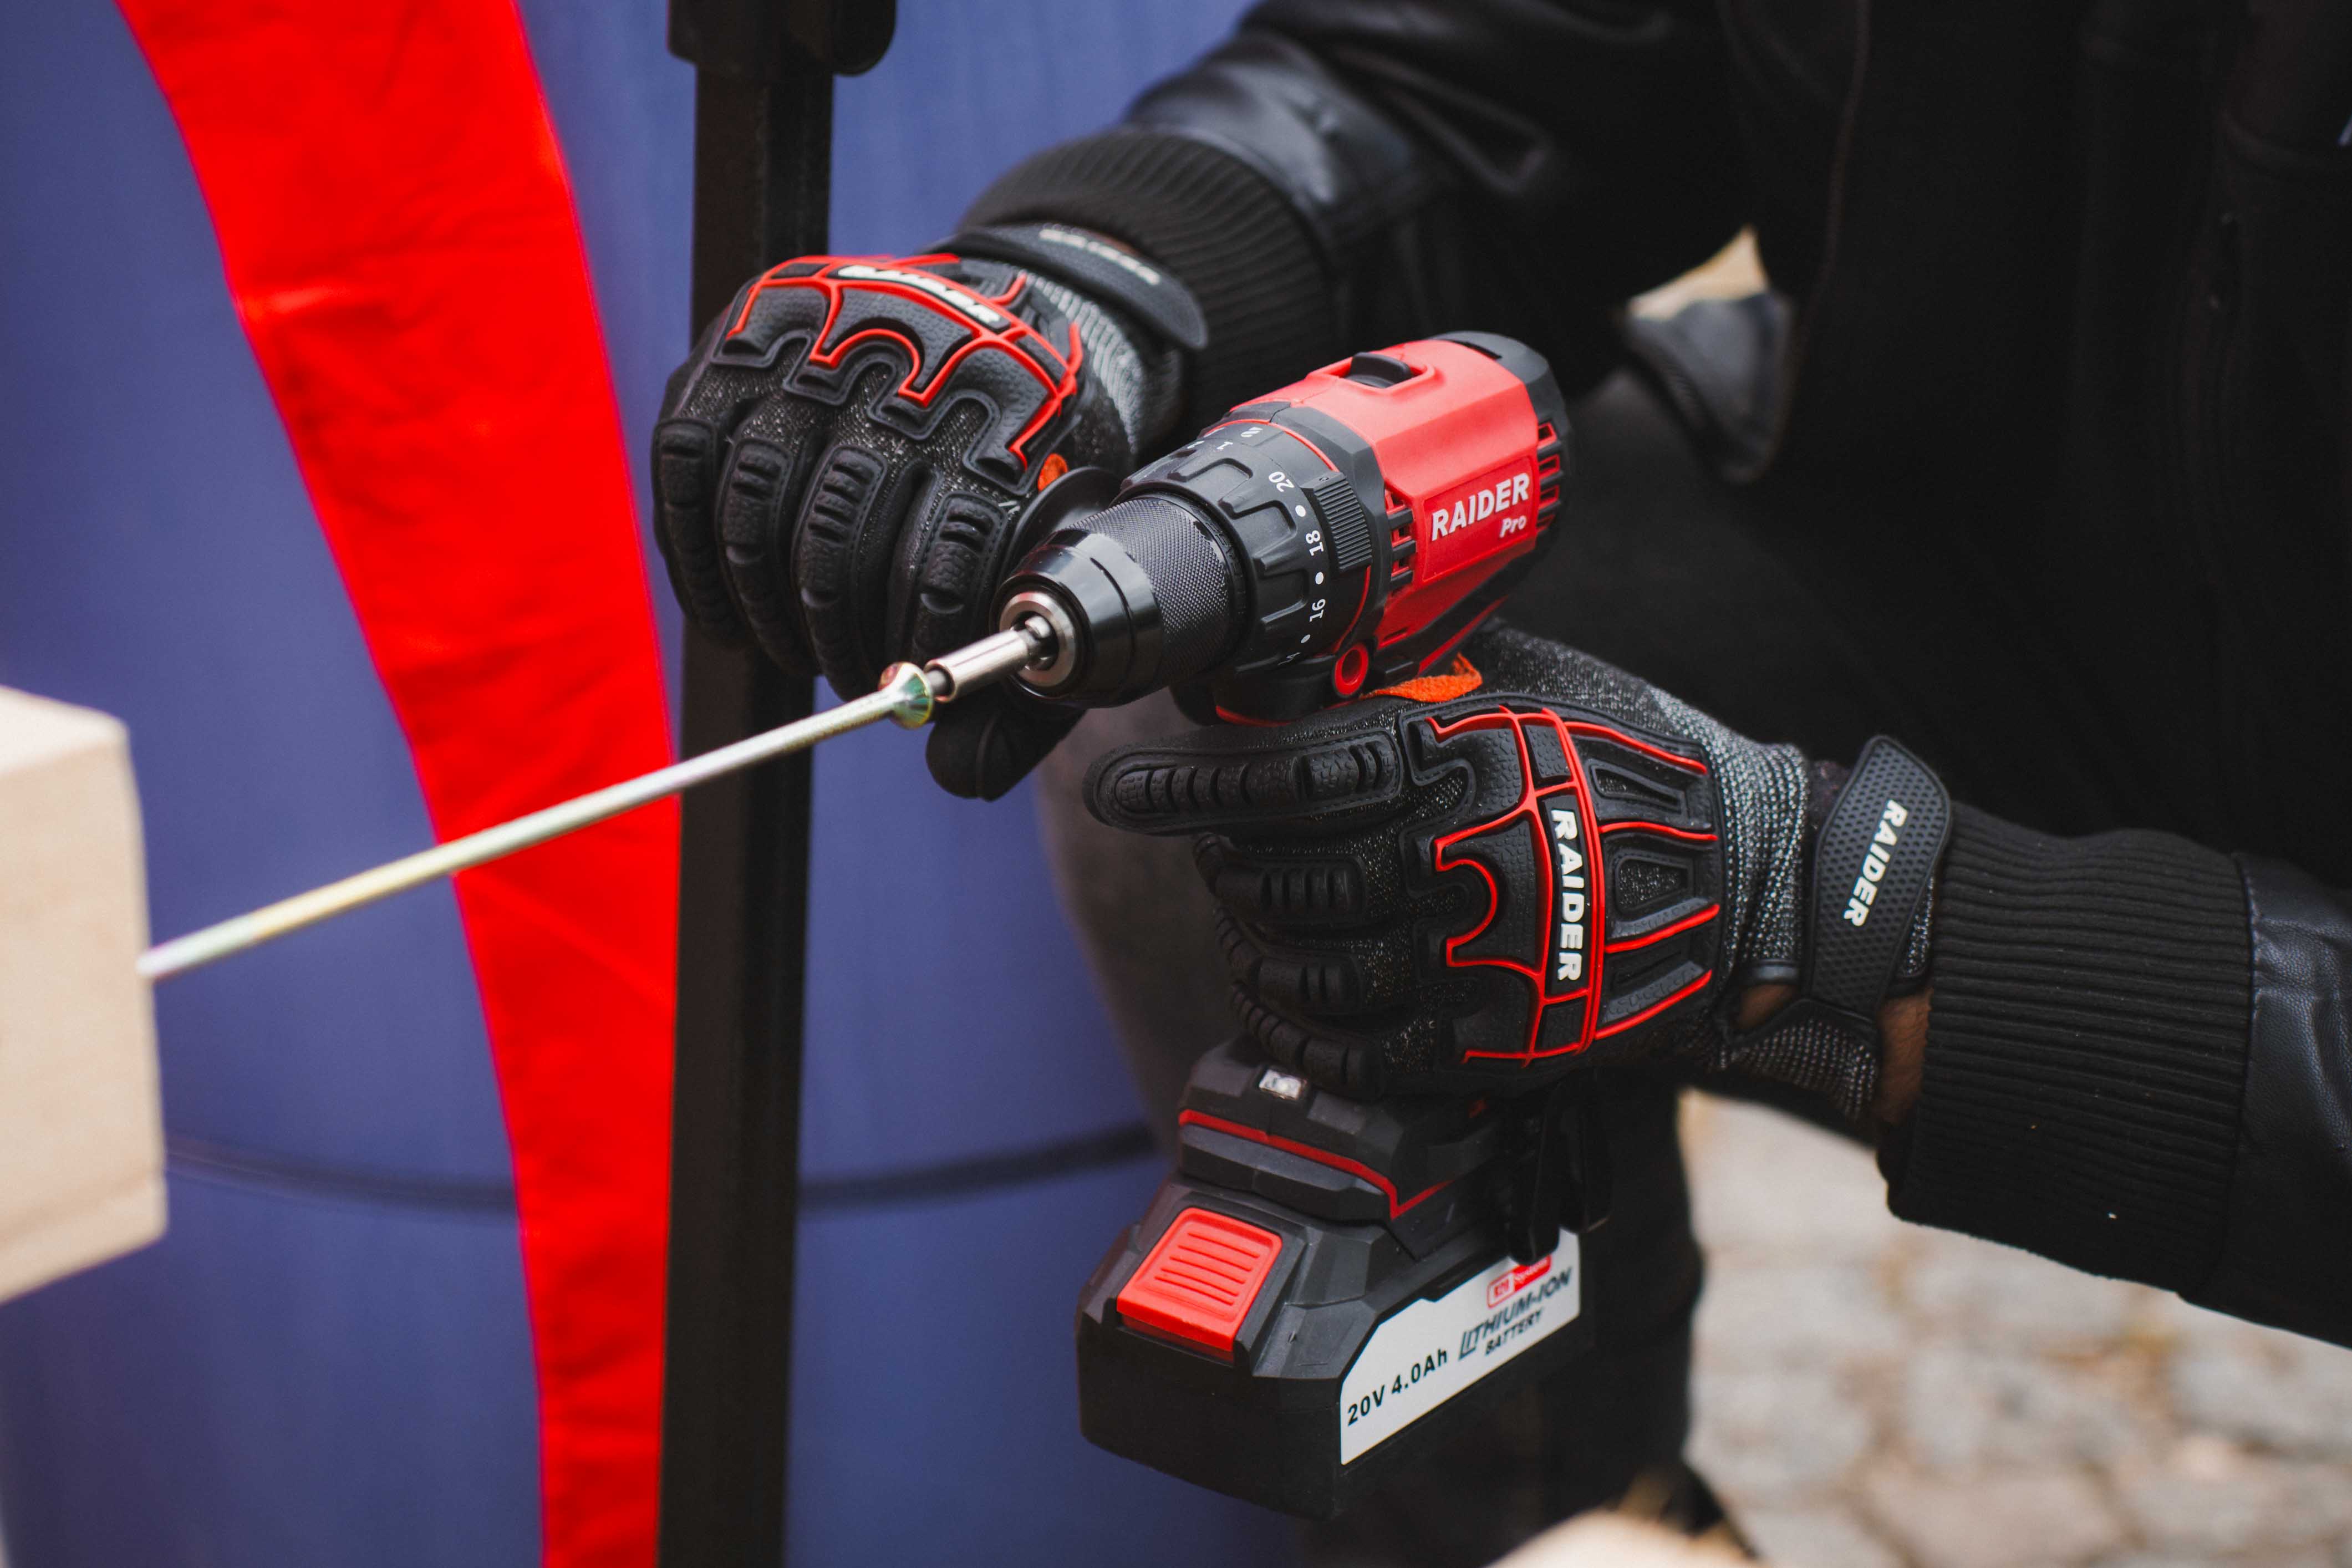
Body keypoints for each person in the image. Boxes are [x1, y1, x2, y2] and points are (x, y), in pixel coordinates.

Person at [648, 2, 2352, 1560]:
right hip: (2006, 545)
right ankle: (1562, 1521)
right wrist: (1097, 288)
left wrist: (1841, 922)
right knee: (1265, 696)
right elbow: (1470, 71)